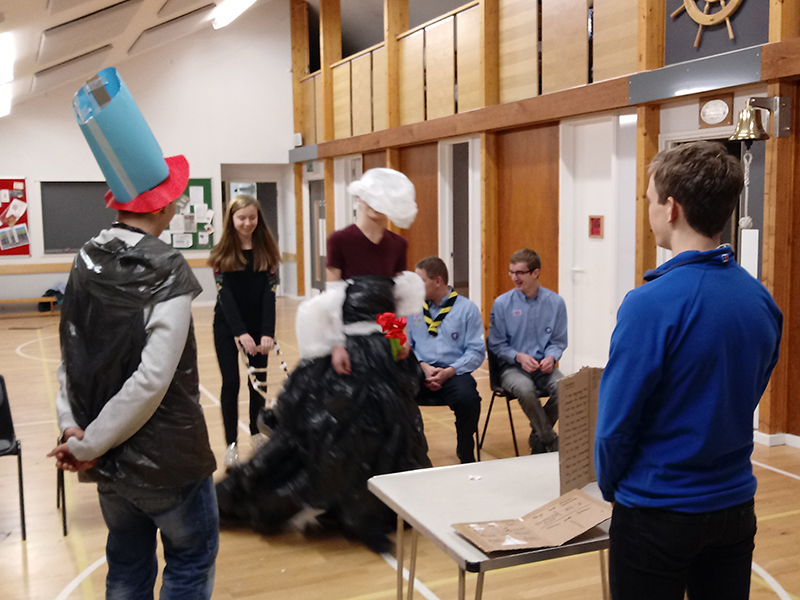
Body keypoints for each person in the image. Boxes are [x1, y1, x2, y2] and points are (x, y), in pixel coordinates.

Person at [49, 68, 218, 599]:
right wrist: (88, 440)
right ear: (163, 204)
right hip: (169, 459)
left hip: (107, 461)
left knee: (125, 567)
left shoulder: (83, 260)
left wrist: (76, 432)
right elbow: (152, 381)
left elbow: (68, 357)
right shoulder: (166, 266)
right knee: (189, 563)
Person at [595, 141, 783, 600]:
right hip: (734, 504)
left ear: (671, 207)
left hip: (658, 509)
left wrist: (615, 486)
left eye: (649, 200)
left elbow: (615, 426)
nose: (649, 211)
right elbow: (746, 394)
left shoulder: (650, 304)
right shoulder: (760, 301)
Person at [208, 194, 280, 466]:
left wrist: (267, 332)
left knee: (257, 383)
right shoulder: (221, 253)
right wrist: (240, 333)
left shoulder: (268, 251)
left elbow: (268, 296)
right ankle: (231, 443)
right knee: (232, 382)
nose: (247, 223)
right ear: (232, 220)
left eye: (252, 217)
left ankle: (255, 431)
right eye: (242, 218)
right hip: (228, 326)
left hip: (258, 328)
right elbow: (225, 297)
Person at [326, 167, 417, 374]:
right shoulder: (339, 240)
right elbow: (332, 296)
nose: (376, 204)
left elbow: (396, 298)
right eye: (372, 197)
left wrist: (399, 336)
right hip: (350, 342)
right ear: (360, 197)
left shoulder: (398, 244)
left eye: (383, 199)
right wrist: (337, 344)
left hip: (384, 343)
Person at [487, 249, 566, 453]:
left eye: (520, 273)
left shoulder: (556, 303)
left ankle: (538, 434)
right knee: (524, 389)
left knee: (565, 388)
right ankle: (548, 439)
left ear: (535, 273)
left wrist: (552, 356)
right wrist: (518, 356)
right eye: (511, 272)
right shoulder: (502, 304)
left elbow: (558, 341)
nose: (515, 278)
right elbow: (496, 344)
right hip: (512, 368)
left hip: (543, 367)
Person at [407, 257, 485, 463]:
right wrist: (423, 367)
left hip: (453, 371)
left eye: (421, 281)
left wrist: (449, 371)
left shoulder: (467, 309)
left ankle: (466, 450)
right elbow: (407, 345)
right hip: (420, 370)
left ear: (438, 281)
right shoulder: (413, 309)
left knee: (469, 399)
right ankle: (412, 451)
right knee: (397, 394)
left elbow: (476, 351)